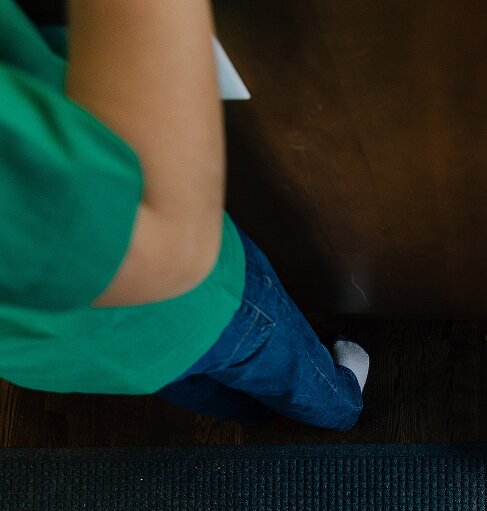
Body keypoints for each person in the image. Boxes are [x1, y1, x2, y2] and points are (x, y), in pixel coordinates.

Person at [0, 0, 369, 431]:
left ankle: (253, 413)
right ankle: (342, 407)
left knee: (182, 379)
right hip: (190, 306)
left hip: (54, 352)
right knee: (281, 363)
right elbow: (161, 244)